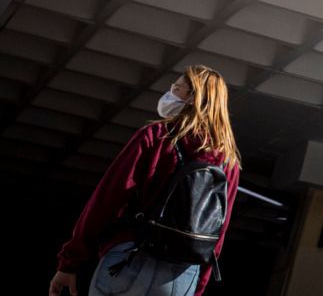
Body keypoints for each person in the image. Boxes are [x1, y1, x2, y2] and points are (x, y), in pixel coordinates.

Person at [49, 65, 241, 296]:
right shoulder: (228, 161)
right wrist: (197, 287)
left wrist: (70, 262)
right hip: (182, 277)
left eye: (177, 88)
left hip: (130, 257)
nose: (170, 93)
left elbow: (107, 199)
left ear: (193, 97)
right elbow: (218, 231)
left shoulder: (156, 136)